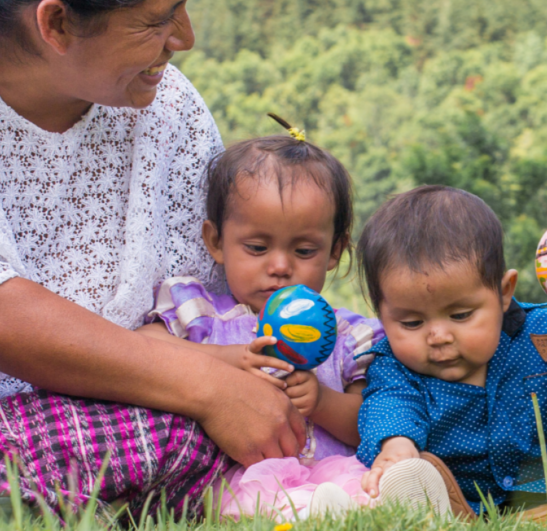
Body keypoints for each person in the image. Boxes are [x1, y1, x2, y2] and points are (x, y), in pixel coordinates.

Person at [0, 0, 300, 516]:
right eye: (159, 18)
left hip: (126, 433)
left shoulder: (170, 110)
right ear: (56, 23)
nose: (184, 37)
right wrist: (205, 386)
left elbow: (203, 302)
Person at [139, 130, 447, 519]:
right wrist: (228, 358)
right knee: (259, 502)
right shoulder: (198, 312)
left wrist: (322, 402)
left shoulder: (351, 335)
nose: (281, 267)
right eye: (257, 247)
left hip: (333, 474)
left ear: (335, 251)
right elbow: (144, 350)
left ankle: (406, 494)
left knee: (362, 485)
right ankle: (315, 513)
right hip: (242, 479)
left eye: (304, 251)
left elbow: (369, 421)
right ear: (216, 241)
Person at [354, 186, 547, 522]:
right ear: (381, 314)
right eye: (412, 322)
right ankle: (453, 514)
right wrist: (397, 446)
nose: (439, 337)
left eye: (460, 315)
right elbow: (389, 404)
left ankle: (537, 517)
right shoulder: (393, 366)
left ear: (503, 292)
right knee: (419, 478)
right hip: (461, 496)